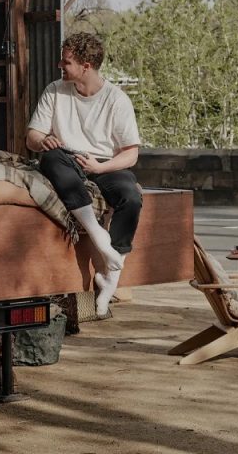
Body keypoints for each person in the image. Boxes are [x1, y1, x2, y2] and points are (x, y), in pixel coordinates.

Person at [26, 32, 143, 317]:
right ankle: (100, 238)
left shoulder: (117, 99)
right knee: (51, 159)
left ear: (86, 66)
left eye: (66, 62)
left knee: (131, 196)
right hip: (66, 158)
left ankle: (110, 281)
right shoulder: (55, 90)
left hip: (104, 164)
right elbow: (32, 137)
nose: (59, 66)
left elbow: (131, 153)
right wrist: (43, 141)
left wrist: (100, 167)